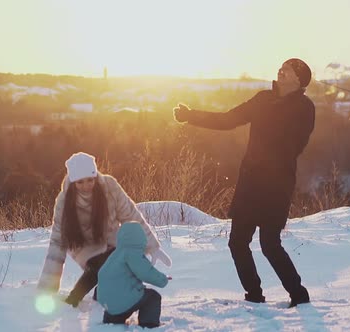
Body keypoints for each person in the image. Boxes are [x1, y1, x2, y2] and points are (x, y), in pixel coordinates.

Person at [173, 58, 315, 308]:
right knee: (237, 241)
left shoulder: (304, 107)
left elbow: (296, 145)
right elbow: (229, 119)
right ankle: (254, 296)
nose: (281, 70)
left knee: (269, 244)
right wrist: (190, 116)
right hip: (250, 182)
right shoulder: (262, 99)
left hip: (276, 184)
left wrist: (268, 156)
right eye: (280, 67)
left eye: (288, 69)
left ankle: (299, 295)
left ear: (299, 79)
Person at [37, 152, 172, 307]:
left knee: (126, 263)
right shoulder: (64, 200)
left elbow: (131, 216)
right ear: (73, 181)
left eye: (90, 180)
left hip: (112, 241)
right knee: (101, 265)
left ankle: (104, 292)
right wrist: (48, 287)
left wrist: (152, 246)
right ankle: (74, 298)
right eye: (80, 182)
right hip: (83, 246)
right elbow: (57, 241)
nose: (86, 186)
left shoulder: (110, 187)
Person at [97, 221, 170, 329]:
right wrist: (163, 279)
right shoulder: (132, 253)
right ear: (140, 237)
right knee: (153, 297)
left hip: (108, 305)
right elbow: (145, 273)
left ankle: (112, 319)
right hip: (121, 301)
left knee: (124, 298)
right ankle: (149, 324)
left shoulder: (116, 254)